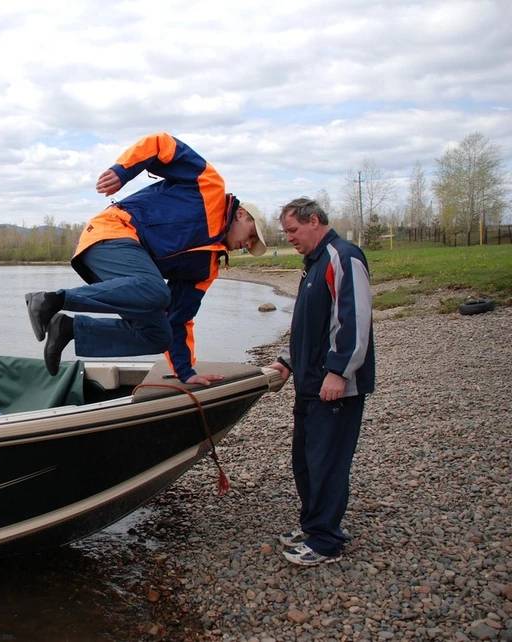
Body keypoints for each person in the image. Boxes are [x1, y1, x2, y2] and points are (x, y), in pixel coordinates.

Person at [25, 132, 266, 381]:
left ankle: (67, 328)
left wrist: (186, 372)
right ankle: (51, 300)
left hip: (130, 276)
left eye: (252, 246)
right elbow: (162, 144)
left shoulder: (207, 268)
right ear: (241, 215)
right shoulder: (210, 187)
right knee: (157, 291)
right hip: (113, 231)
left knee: (160, 335)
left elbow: (180, 319)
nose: (247, 245)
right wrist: (123, 171)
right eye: (251, 236)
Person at [268, 197, 375, 566]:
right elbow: (306, 326)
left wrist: (339, 370)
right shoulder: (312, 265)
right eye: (286, 233)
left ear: (314, 221)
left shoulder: (343, 257)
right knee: (306, 460)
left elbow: (354, 319)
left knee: (328, 462)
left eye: (293, 231)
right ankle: (314, 525)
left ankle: (327, 542)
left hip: (336, 386)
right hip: (310, 384)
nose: (290, 238)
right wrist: (286, 361)